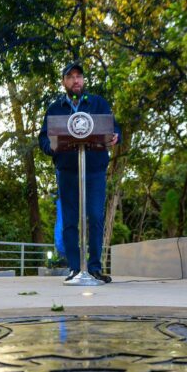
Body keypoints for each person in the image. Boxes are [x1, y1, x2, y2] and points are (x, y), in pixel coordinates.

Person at [38, 62, 119, 283]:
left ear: (84, 80)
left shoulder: (97, 103)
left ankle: (93, 268)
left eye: (79, 76)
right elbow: (43, 137)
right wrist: (50, 147)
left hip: (94, 169)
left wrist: (115, 135)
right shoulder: (55, 108)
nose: (76, 80)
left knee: (95, 216)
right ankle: (75, 268)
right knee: (70, 220)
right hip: (67, 171)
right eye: (71, 77)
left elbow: (114, 125)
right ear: (64, 82)